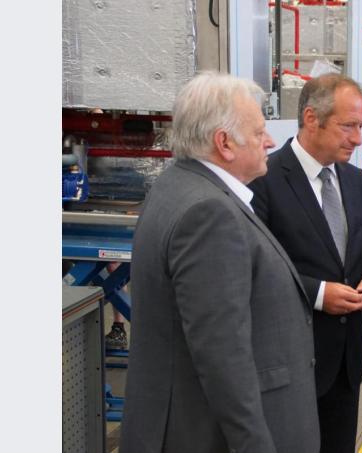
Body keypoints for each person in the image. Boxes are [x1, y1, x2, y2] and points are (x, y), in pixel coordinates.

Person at [120, 72, 319, 453]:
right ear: (224, 143)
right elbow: (222, 355)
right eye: (260, 131)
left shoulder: (177, 185)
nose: (270, 141)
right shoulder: (210, 214)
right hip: (205, 434)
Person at [248, 73, 362, 453]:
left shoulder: (355, 180)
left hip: (346, 362)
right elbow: (254, 268)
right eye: (348, 126)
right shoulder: (264, 179)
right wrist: (319, 294)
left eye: (360, 127)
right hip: (291, 361)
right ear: (311, 118)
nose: (357, 139)